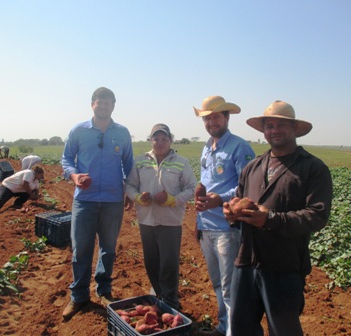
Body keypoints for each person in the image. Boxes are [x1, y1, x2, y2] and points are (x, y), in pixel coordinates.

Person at [223, 100, 333, 335]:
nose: (274, 130)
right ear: (263, 131)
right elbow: (240, 203)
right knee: (242, 326)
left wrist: (272, 219)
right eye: (269, 125)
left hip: (284, 264)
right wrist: (232, 214)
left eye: (281, 125)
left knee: (283, 328)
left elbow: (317, 214)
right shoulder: (252, 167)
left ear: (294, 129)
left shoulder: (312, 168)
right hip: (246, 261)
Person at [61, 87, 134, 319]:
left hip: (113, 200)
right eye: (99, 102)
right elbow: (66, 159)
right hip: (85, 200)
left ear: (113, 105)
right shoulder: (79, 131)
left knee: (108, 249)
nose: (103, 106)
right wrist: (73, 176)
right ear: (92, 104)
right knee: (81, 249)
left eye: (108, 103)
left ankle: (104, 290)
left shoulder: (122, 133)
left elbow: (129, 164)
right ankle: (79, 297)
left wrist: (129, 191)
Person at [193, 96, 255, 336]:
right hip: (207, 227)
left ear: (227, 117)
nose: (211, 122)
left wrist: (222, 198)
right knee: (218, 284)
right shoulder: (207, 147)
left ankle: (234, 331)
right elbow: (206, 185)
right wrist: (197, 222)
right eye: (207, 118)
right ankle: (223, 327)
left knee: (230, 288)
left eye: (216, 116)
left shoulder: (240, 147)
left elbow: (248, 187)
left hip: (227, 229)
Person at [125, 123, 196, 310]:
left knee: (169, 263)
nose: (160, 142)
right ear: (151, 140)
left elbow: (191, 188)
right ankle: (158, 294)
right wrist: (139, 197)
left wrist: (173, 199)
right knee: (151, 261)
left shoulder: (182, 162)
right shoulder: (140, 161)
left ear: (170, 140)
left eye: (164, 139)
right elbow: (130, 185)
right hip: (146, 220)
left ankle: (171, 301)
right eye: (156, 138)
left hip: (170, 221)